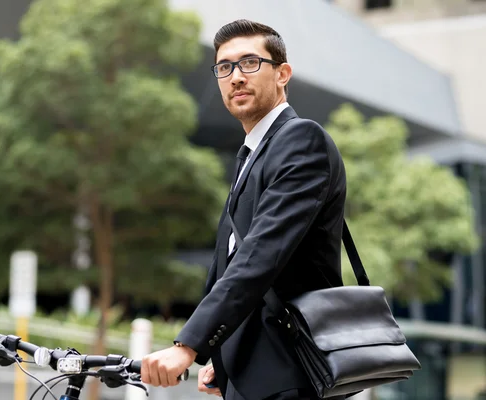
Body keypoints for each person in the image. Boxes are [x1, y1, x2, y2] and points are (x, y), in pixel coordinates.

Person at [141, 19, 347, 400]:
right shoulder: (252, 154)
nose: (235, 77)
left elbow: (260, 256)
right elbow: (228, 266)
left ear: (282, 73)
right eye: (224, 67)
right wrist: (220, 356)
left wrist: (188, 346)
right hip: (255, 372)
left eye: (250, 63)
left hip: (288, 373)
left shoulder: (302, 140)